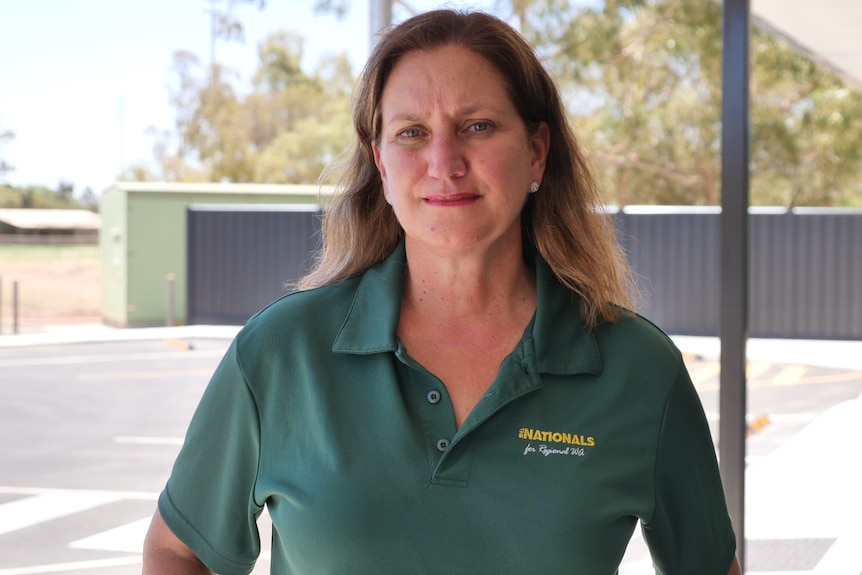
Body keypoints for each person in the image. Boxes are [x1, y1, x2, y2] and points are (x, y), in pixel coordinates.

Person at [143, 9, 741, 575]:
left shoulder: (638, 371)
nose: (443, 161)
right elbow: (180, 551)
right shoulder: (280, 355)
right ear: (380, 163)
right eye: (411, 133)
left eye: (477, 127)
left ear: (536, 152)